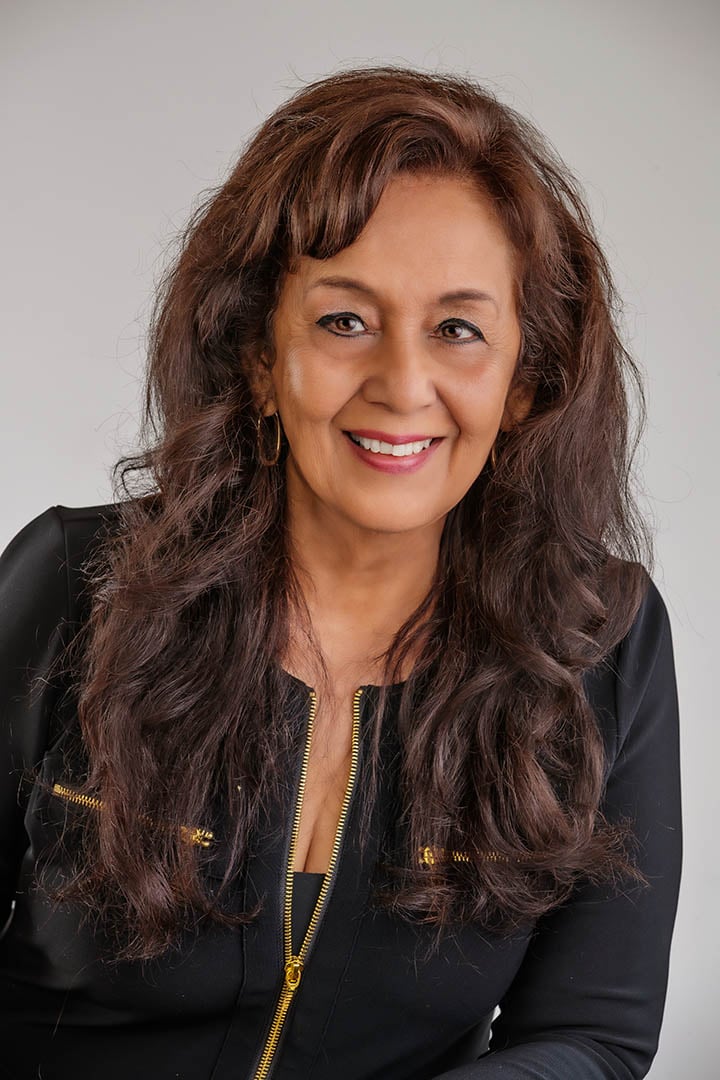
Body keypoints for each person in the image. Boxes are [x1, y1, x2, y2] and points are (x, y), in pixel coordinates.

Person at [0, 65, 681, 1080]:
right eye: (345, 321)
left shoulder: (600, 642)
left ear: (524, 383)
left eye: (458, 330)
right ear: (258, 358)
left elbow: (591, 1037)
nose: (403, 384)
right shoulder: (75, 583)